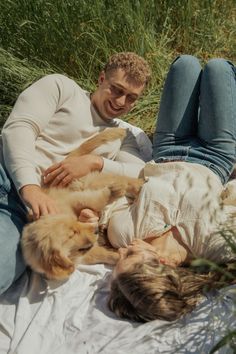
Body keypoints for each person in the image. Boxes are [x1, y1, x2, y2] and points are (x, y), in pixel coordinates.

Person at [0, 52, 151, 295]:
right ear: (101, 78)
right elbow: (19, 129)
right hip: (6, 175)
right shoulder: (62, 87)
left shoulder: (122, 137)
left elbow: (143, 172)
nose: (121, 102)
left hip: (30, 219)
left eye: (131, 98)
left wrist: (95, 163)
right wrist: (30, 187)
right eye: (116, 89)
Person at [105, 55, 236, 322]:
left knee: (184, 64)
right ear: (162, 262)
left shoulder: (123, 233)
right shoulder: (214, 246)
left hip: (168, 146)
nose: (120, 251)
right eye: (128, 255)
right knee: (218, 68)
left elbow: (118, 194)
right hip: (216, 155)